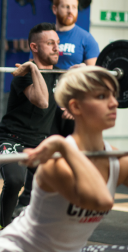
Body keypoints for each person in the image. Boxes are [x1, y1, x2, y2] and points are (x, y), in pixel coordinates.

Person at [0, 66, 128, 252]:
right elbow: (101, 201)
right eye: (101, 97)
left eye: (113, 96)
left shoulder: (117, 159)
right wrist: (62, 146)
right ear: (75, 106)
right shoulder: (56, 164)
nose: (114, 103)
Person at [17, 0, 100, 215]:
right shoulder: (44, 36)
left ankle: (71, 202)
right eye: (65, 6)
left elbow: (93, 80)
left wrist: (77, 105)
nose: (71, 11)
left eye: (73, 7)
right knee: (41, 152)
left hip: (72, 108)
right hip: (47, 107)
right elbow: (32, 69)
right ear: (55, 9)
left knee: (73, 154)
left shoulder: (86, 39)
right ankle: (26, 202)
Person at [0, 23, 61, 229]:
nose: (56, 48)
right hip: (12, 139)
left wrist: (83, 72)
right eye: (50, 43)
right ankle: (4, 229)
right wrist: (33, 67)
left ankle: (26, 212)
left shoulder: (61, 74)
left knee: (56, 183)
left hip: (38, 143)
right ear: (34, 47)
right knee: (15, 180)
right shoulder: (23, 75)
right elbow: (42, 102)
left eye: (57, 43)